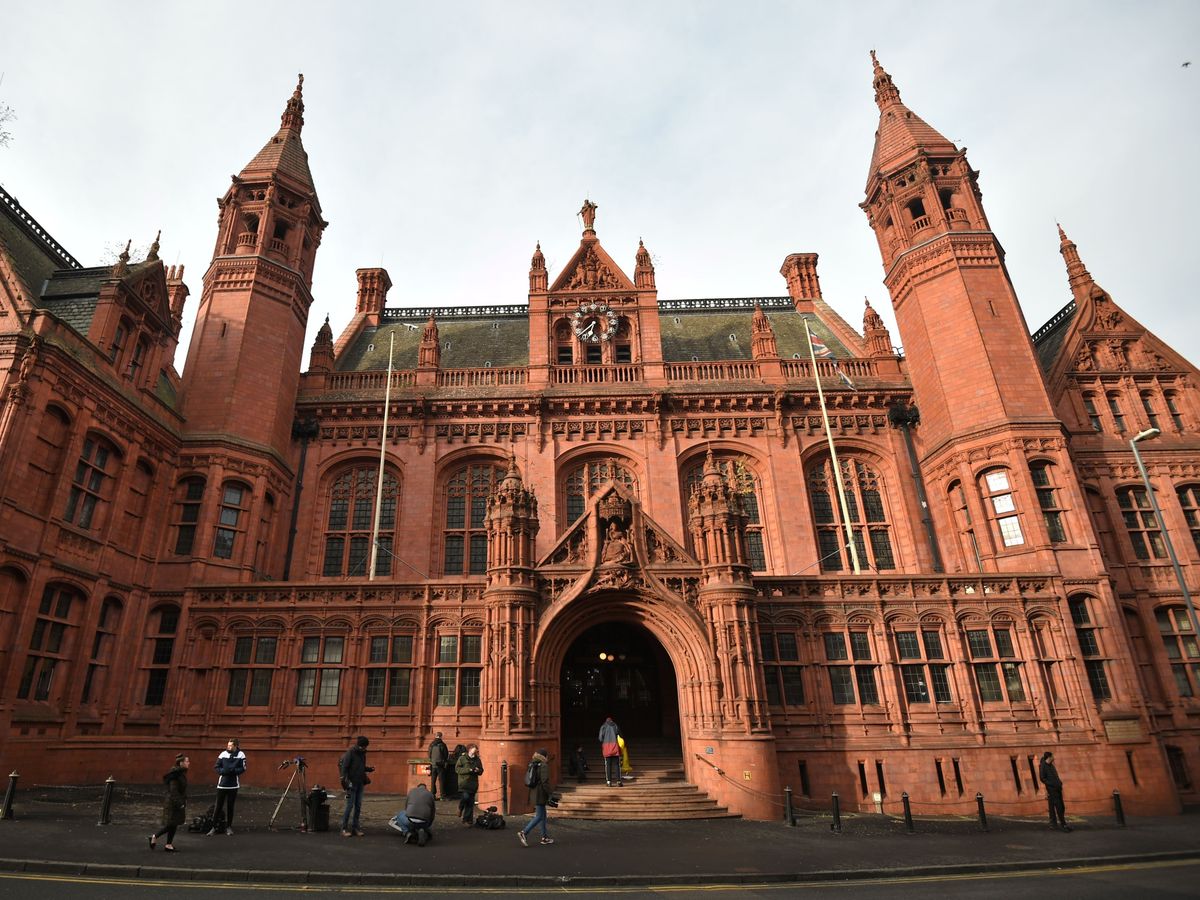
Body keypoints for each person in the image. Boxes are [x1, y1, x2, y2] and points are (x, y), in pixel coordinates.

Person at [149, 754, 189, 852]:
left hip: (176, 801)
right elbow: (173, 791)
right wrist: (180, 803)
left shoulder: (179, 773)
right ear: (181, 763)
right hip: (173, 803)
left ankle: (168, 844)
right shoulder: (175, 775)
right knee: (171, 824)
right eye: (187, 761)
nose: (189, 763)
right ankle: (154, 836)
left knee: (174, 824)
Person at [209, 738, 246, 835]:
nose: (228, 747)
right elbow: (216, 767)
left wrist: (233, 771)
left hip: (233, 785)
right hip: (222, 785)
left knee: (230, 807)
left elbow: (243, 768)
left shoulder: (241, 755)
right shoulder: (223, 754)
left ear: (235, 746)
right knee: (218, 806)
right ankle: (213, 827)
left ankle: (229, 827)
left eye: (230, 745)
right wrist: (223, 772)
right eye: (228, 745)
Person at [517, 748, 554, 847]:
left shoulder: (533, 763)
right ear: (544, 756)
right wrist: (550, 793)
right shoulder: (543, 765)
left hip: (534, 792)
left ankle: (544, 837)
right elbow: (545, 782)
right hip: (541, 793)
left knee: (543, 815)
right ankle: (524, 832)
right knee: (539, 816)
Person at [339, 735, 373, 837]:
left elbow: (360, 767)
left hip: (360, 783)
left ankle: (355, 828)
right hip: (351, 784)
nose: (366, 748)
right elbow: (344, 768)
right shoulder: (350, 753)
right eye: (365, 746)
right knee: (349, 806)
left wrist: (368, 769)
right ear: (361, 745)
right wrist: (345, 781)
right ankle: (343, 828)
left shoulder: (363, 754)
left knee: (358, 806)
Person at [389, 781, 436, 846]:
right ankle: (423, 830)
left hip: (411, 821)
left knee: (400, 815)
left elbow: (406, 808)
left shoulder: (412, 791)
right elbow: (432, 813)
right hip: (424, 821)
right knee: (422, 822)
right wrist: (428, 825)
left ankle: (407, 832)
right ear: (425, 788)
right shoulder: (430, 794)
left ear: (418, 787)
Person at [1039, 751, 1071, 832]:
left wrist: (1059, 782)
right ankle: (1063, 825)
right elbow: (1042, 778)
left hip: (1057, 788)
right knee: (1059, 807)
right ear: (1049, 757)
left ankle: (1053, 825)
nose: (1054, 757)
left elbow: (1055, 775)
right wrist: (1052, 784)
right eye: (1052, 756)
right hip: (1052, 790)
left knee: (1057, 807)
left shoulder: (1051, 765)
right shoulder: (1043, 766)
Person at [455, 743, 484, 825]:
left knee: (470, 803)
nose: (475, 752)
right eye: (474, 750)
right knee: (466, 797)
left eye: (476, 751)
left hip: (473, 784)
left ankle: (467, 820)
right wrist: (469, 770)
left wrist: (478, 770)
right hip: (464, 783)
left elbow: (481, 771)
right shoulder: (462, 758)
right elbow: (457, 769)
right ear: (469, 750)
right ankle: (460, 808)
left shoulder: (477, 759)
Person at [598, 716, 623, 787]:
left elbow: (600, 738)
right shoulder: (615, 725)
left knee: (608, 765)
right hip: (615, 747)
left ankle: (609, 782)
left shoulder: (603, 726)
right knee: (616, 765)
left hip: (606, 748)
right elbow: (620, 735)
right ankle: (618, 781)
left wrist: (605, 740)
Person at [428, 731, 449, 800]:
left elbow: (429, 755)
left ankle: (432, 795)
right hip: (440, 765)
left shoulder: (431, 744)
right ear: (441, 736)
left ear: (435, 736)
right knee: (441, 781)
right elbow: (446, 755)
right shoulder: (442, 744)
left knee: (433, 781)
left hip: (433, 765)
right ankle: (442, 796)